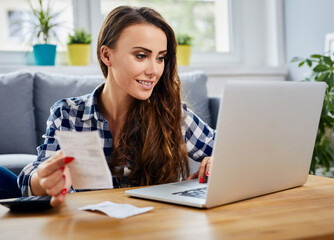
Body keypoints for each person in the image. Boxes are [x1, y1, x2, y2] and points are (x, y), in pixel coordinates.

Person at [17, 5, 215, 207]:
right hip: (87, 231)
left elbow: (229, 150)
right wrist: (43, 180)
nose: (154, 71)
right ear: (106, 55)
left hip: (149, 230)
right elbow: (35, 173)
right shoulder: (68, 114)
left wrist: (217, 161)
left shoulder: (171, 114)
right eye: (141, 55)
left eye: (160, 58)